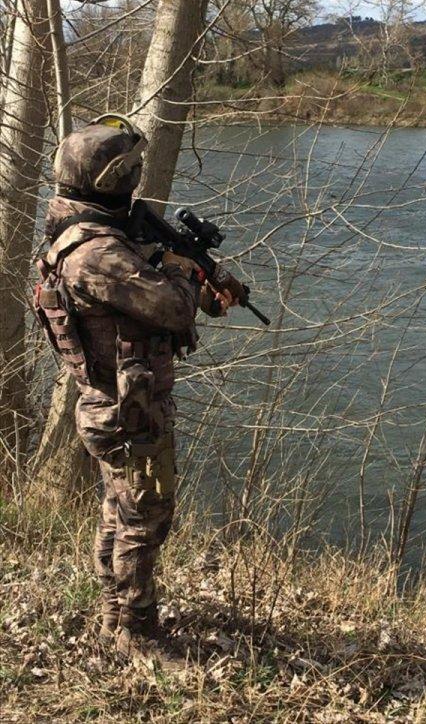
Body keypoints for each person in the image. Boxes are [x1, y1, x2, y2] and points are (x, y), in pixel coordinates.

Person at [34, 114, 246, 657]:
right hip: (127, 410)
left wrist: (204, 281)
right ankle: (135, 630)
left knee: (122, 510)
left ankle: (115, 614)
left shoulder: (88, 228)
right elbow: (171, 307)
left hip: (121, 402)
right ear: (112, 180)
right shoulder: (94, 253)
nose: (136, 180)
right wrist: (183, 273)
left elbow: (148, 286)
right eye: (130, 171)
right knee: (145, 519)